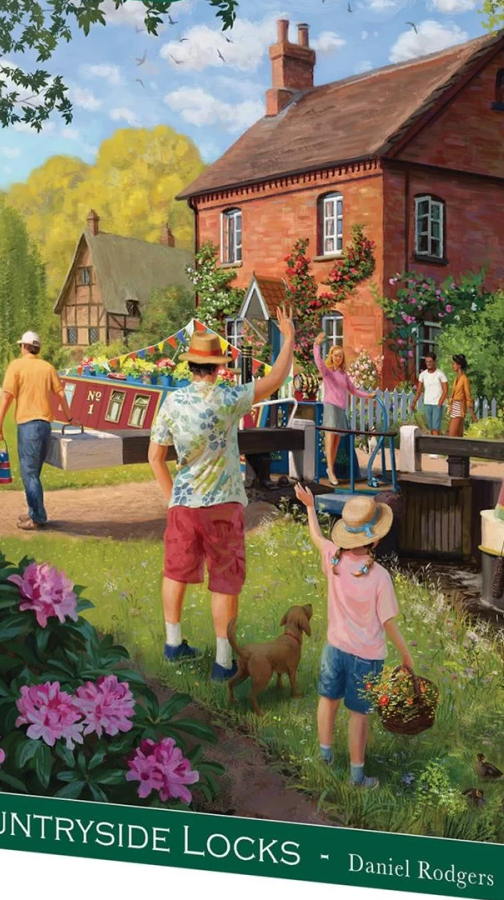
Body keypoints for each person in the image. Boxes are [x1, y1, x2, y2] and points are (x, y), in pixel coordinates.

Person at [148, 308, 296, 679]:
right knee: (225, 580)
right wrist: (289, 338)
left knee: (176, 572)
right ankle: (223, 662)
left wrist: (173, 498)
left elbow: (155, 458)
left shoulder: (172, 402)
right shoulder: (228, 399)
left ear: (191, 366)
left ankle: (172, 644)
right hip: (222, 505)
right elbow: (276, 379)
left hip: (183, 505)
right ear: (216, 368)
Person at [293, 483, 414, 789]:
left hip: (335, 648)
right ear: (377, 538)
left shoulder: (333, 558)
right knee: (359, 715)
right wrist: (406, 654)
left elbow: (316, 537)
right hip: (367, 658)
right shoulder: (380, 577)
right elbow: (388, 623)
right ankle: (357, 777)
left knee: (328, 700)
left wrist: (310, 506)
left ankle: (325, 757)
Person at [0, 330, 71, 530]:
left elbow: (7, 396)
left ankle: (38, 517)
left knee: (29, 473)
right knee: (33, 472)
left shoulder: (16, 366)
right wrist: (69, 417)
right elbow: (61, 394)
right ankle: (33, 511)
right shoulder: (47, 367)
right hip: (45, 426)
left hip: (28, 425)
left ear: (24, 347)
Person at [313, 333, 375, 488]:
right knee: (329, 438)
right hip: (330, 406)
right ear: (331, 357)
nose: (338, 358)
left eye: (340, 356)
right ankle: (331, 472)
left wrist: (368, 395)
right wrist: (317, 345)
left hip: (341, 409)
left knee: (336, 441)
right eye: (335, 356)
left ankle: (330, 469)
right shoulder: (327, 372)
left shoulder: (343, 374)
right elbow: (318, 362)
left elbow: (353, 390)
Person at [416, 352, 448, 433]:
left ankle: (435, 441)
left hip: (437, 404)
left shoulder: (440, 374)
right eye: (427, 362)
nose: (428, 364)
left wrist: (440, 403)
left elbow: (445, 390)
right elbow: (419, 390)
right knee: (430, 427)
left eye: (430, 362)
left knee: (436, 427)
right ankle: (431, 440)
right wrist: (413, 402)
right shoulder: (422, 375)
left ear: (435, 362)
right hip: (427, 403)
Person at [446, 353, 473, 438]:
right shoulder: (456, 379)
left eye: (454, 364)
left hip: (459, 408)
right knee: (457, 435)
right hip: (454, 407)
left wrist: (472, 414)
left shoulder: (465, 379)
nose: (452, 366)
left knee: (452, 435)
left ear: (459, 365)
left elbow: (468, 396)